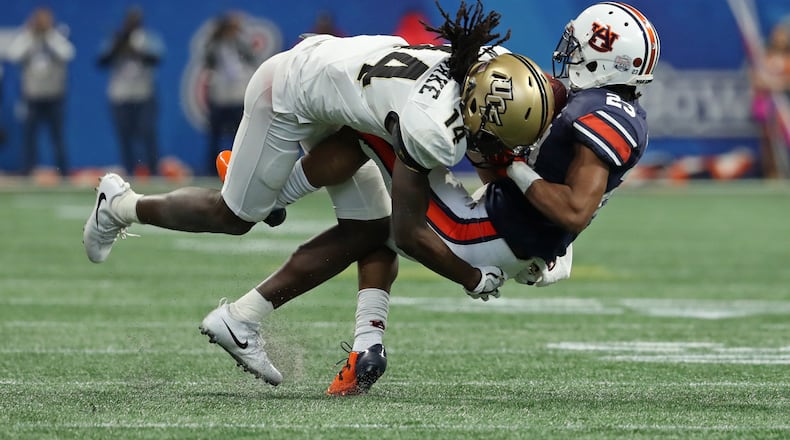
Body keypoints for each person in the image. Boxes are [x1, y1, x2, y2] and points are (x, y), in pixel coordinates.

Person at [82, 1, 555, 387]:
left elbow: (482, 143)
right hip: (290, 91)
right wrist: (471, 277)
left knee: (368, 228)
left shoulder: (487, 69)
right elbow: (409, 232)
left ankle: (261, 320)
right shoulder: (431, 128)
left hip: (344, 83)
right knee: (235, 215)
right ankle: (120, 205)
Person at [204, 0, 659, 395]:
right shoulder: (607, 108)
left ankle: (277, 202)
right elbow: (553, 187)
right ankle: (366, 347)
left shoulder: (595, 113)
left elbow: (575, 208)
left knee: (375, 130)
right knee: (378, 227)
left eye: (579, 48)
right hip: (510, 231)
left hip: (482, 231)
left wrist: (511, 168)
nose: (569, 54)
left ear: (604, 60)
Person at [6, 7, 74, 177]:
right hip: (32, 96)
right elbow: (13, 54)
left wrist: (49, 34)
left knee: (57, 137)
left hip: (54, 96)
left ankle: (63, 171)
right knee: (29, 137)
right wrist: (29, 33)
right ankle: (27, 170)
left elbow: (68, 53)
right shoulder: (28, 38)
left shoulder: (56, 37)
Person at [98, 6, 164, 177]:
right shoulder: (117, 39)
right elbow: (102, 60)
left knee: (147, 132)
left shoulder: (148, 38)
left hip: (144, 94)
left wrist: (137, 52)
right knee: (124, 135)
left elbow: (157, 58)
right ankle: (129, 171)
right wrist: (119, 46)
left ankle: (153, 170)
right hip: (120, 95)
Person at [202, 12, 257, 175]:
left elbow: (251, 59)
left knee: (240, 136)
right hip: (220, 97)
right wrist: (219, 33)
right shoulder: (215, 46)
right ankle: (212, 171)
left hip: (237, 97)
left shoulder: (240, 44)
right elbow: (207, 61)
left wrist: (237, 35)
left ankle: (240, 170)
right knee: (215, 137)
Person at [749, 20, 790, 179]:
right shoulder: (765, 56)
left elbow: (785, 82)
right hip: (766, 104)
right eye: (777, 34)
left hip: (784, 104)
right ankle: (772, 173)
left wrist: (775, 83)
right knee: (768, 139)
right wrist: (768, 82)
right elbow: (757, 79)